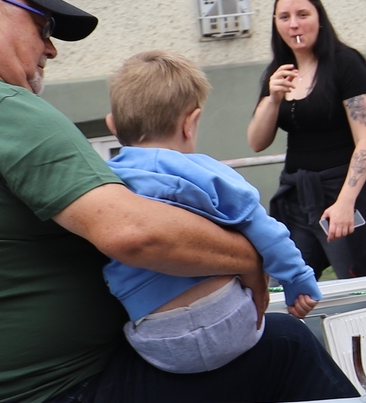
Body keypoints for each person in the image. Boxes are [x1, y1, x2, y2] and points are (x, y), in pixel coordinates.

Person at [0, 0, 354, 403]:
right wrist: (250, 258)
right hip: (36, 398)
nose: (51, 48)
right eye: (42, 27)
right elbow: (136, 234)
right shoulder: (0, 108)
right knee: (287, 344)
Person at [102, 51, 322, 375]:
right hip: (232, 321)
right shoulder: (207, 172)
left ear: (111, 124)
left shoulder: (105, 183)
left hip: (158, 342)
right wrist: (298, 280)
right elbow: (266, 230)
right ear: (190, 123)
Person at [246, 0, 366, 279]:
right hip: (298, 200)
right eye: (284, 17)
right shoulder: (278, 72)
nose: (294, 24)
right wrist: (273, 98)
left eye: (302, 14)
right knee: (291, 285)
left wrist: (345, 203)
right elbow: (256, 142)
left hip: (347, 194)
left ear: (319, 18)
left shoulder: (345, 63)